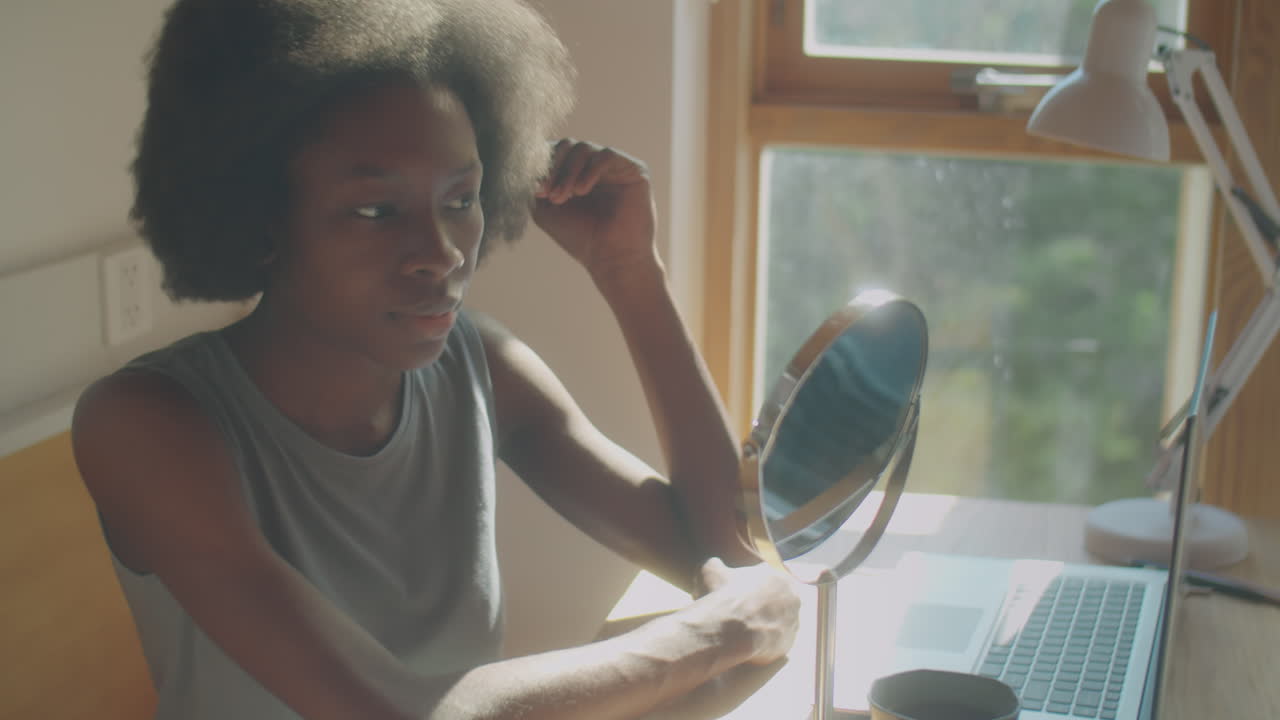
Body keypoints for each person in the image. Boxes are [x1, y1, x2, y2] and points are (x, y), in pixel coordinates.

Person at [70, 1, 800, 719]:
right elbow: (394, 713)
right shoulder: (144, 425)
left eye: (461, 198)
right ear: (262, 218)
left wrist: (631, 271)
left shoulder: (478, 364)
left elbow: (725, 552)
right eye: (374, 210)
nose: (443, 253)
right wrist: (707, 636)